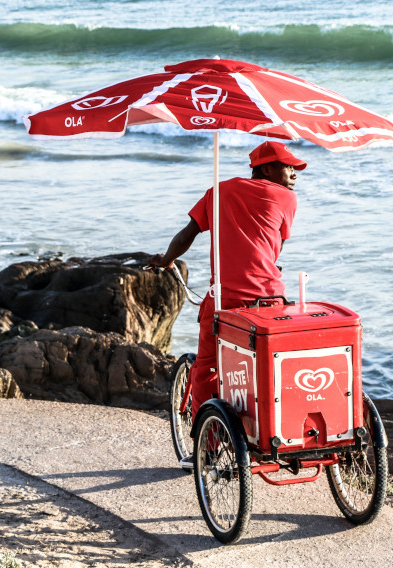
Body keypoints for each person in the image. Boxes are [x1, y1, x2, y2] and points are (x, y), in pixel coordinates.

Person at [148, 141, 305, 466]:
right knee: (266, 365)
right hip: (272, 300)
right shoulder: (288, 199)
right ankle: (275, 432)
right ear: (266, 168)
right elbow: (274, 249)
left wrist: (166, 260)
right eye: (288, 167)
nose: (293, 174)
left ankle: (206, 449)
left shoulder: (218, 191)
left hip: (226, 300)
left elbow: (187, 235)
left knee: (207, 368)